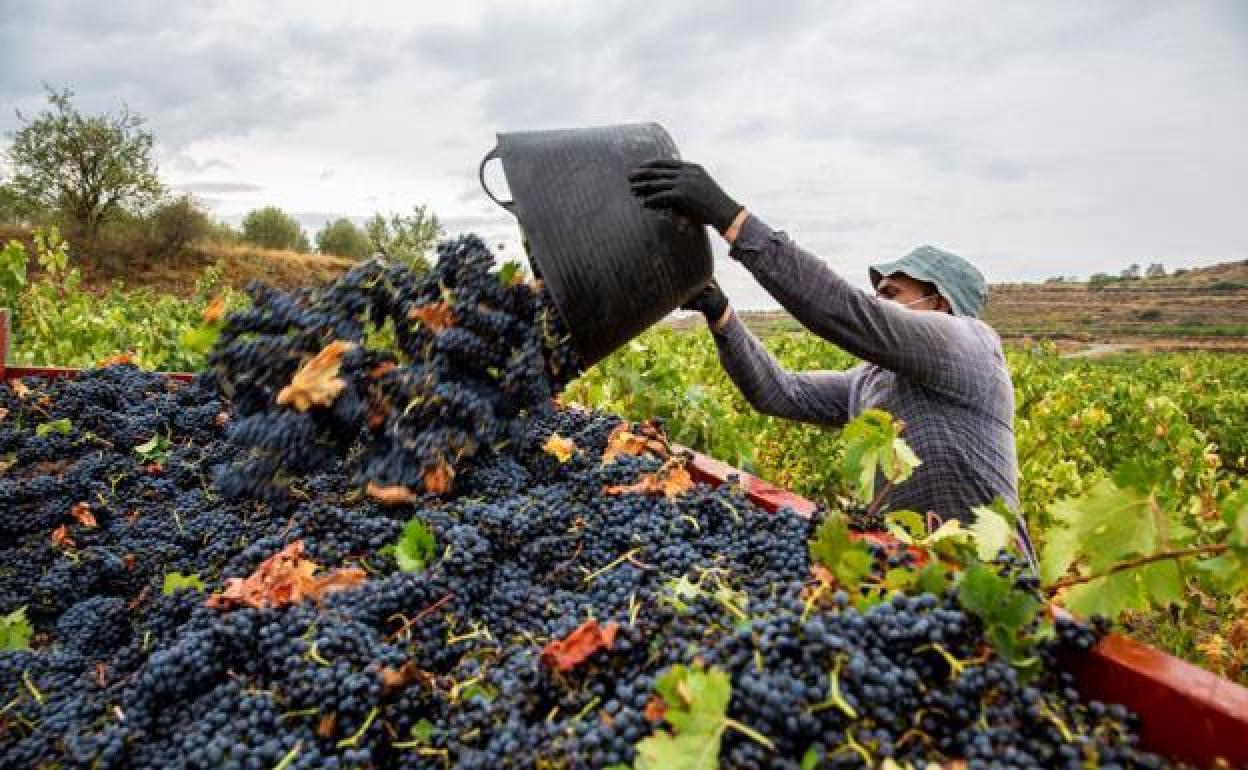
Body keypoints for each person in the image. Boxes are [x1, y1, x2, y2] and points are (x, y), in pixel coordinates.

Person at [629, 159, 1032, 556]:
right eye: (879, 294)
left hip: (994, 586)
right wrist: (721, 314)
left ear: (941, 303)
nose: (879, 301)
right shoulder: (870, 383)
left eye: (891, 294)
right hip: (917, 583)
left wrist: (733, 221)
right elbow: (778, 392)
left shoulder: (971, 346)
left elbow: (848, 312)